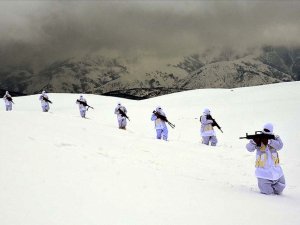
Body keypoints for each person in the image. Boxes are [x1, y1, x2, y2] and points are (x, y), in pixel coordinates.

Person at [246, 123, 286, 195]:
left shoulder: (275, 138)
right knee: (267, 192)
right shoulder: (257, 138)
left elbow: (280, 146)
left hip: (275, 169)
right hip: (263, 171)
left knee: (281, 187)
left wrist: (269, 141)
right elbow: (249, 148)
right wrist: (254, 142)